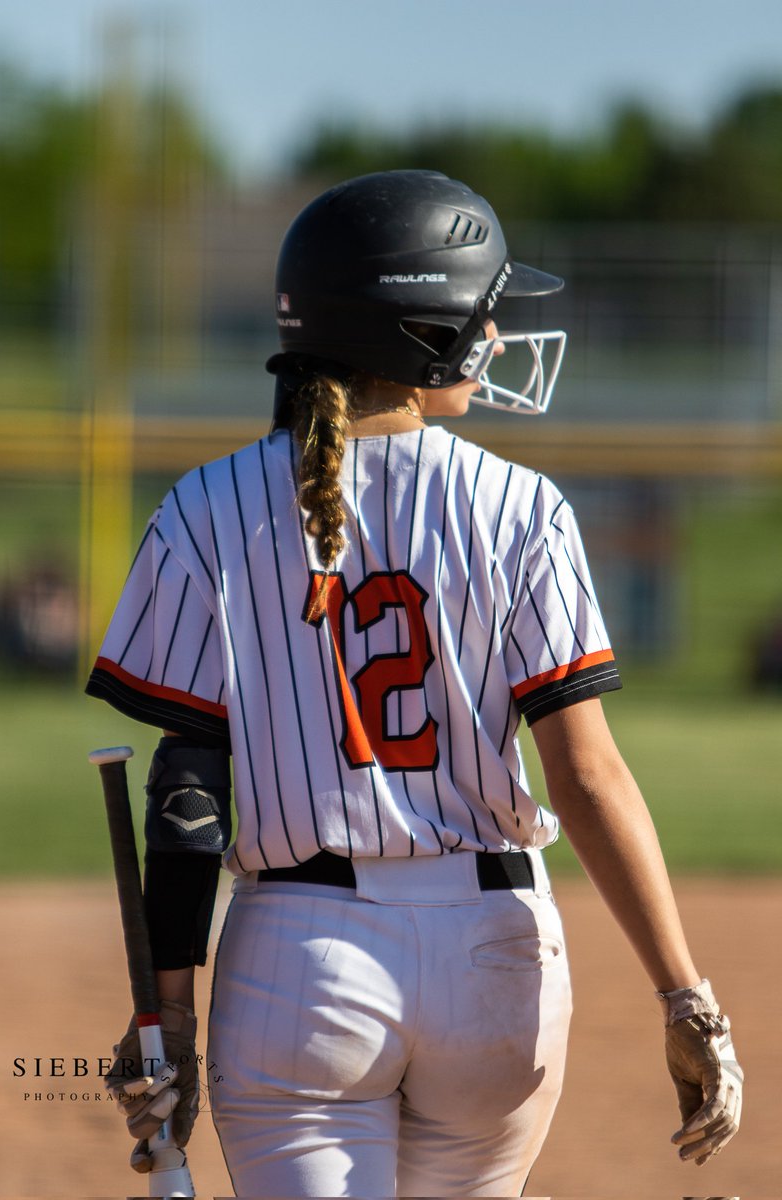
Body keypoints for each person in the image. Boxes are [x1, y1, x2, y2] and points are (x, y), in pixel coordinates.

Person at [88, 169, 743, 1198]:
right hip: (494, 957)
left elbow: (185, 798)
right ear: (420, 333)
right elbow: (586, 780)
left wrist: (165, 1009)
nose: (491, 338)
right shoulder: (522, 507)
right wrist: (683, 998)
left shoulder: (204, 506)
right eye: (480, 315)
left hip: (298, 965)